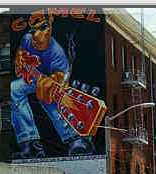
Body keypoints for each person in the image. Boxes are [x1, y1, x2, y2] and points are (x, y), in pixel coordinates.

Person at [11, 12, 96, 159]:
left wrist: (50, 84)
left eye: (43, 28)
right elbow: (21, 51)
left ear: (50, 25)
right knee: (14, 89)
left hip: (53, 80)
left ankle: (75, 137)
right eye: (34, 30)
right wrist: (19, 59)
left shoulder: (57, 54)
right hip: (34, 77)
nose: (37, 34)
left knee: (50, 98)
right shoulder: (27, 39)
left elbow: (60, 79)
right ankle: (29, 141)